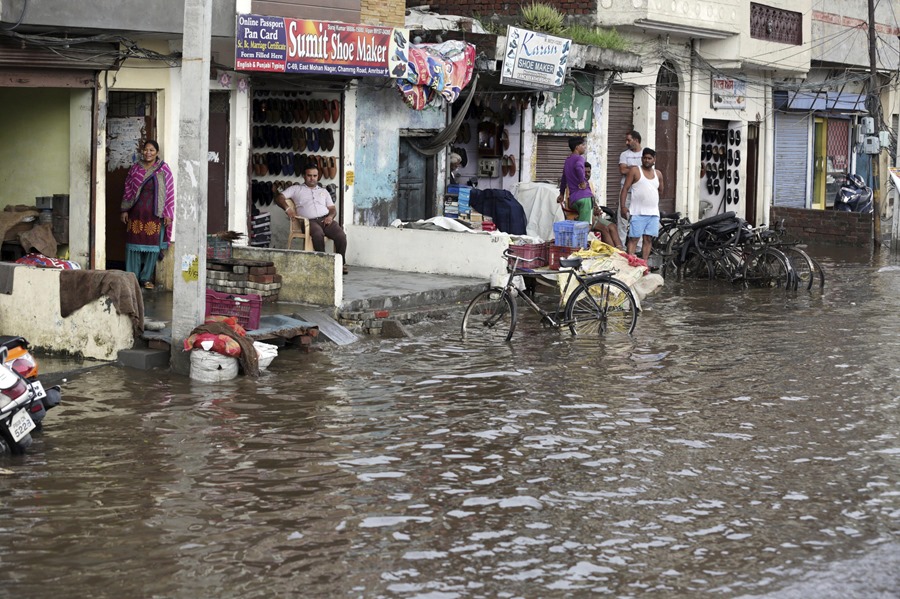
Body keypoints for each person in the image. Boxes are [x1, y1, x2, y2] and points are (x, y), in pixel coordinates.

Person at [275, 162, 349, 274]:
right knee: (318, 234)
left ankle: (340, 264)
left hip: (325, 219)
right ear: (304, 176)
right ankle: (323, 263)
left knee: (341, 236)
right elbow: (279, 197)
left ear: (318, 176)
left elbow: (332, 209)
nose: (312, 178)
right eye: (309, 175)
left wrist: (330, 216)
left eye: (315, 176)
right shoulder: (296, 189)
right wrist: (287, 208)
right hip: (308, 222)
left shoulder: (324, 191)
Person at [120, 139, 175, 289]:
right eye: (146, 150)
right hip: (136, 213)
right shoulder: (135, 169)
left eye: (151, 150)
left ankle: (145, 278)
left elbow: (169, 192)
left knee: (153, 247)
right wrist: (125, 209)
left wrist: (168, 214)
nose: (148, 153)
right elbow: (128, 189)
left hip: (155, 214)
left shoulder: (164, 169)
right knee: (133, 246)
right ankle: (132, 278)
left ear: (157, 153)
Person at [620, 147, 663, 261]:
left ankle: (644, 264)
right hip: (637, 212)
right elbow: (625, 189)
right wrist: (623, 207)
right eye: (644, 158)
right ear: (642, 159)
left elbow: (661, 190)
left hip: (653, 213)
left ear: (654, 160)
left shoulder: (658, 174)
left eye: (649, 158)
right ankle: (630, 263)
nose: (647, 160)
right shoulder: (635, 171)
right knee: (634, 239)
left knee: (648, 239)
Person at [583, 162, 624, 249]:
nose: (586, 174)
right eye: (584, 172)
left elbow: (592, 201)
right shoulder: (574, 186)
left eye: (588, 172)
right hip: (584, 217)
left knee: (613, 226)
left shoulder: (589, 184)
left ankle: (620, 251)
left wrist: (597, 209)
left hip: (593, 216)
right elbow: (572, 204)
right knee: (604, 229)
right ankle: (613, 253)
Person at [557, 136, 592, 222]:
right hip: (584, 197)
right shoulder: (580, 158)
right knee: (584, 226)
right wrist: (582, 182)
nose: (585, 147)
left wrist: (561, 194)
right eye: (583, 145)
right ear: (577, 147)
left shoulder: (568, 160)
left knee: (579, 224)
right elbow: (578, 167)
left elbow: (564, 179)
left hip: (573, 199)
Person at [617, 130, 643, 246]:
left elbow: (647, 171)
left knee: (638, 220)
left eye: (629, 140)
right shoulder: (624, 154)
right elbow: (622, 170)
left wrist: (631, 169)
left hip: (640, 192)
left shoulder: (645, 155)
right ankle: (621, 247)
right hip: (626, 192)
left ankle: (638, 248)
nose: (626, 142)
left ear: (636, 140)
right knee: (622, 220)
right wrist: (637, 170)